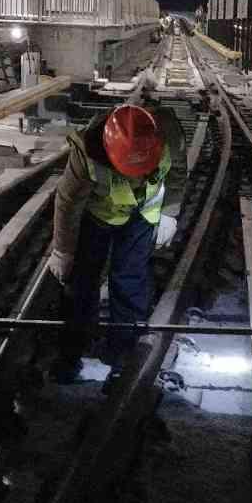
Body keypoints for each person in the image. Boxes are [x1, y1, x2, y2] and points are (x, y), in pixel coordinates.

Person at [48, 102, 185, 383]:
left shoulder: (168, 133)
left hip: (141, 216)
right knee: (82, 281)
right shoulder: (87, 151)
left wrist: (170, 212)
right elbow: (68, 203)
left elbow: (178, 172)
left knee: (130, 280)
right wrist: (63, 250)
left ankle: (122, 354)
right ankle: (71, 353)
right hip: (98, 216)